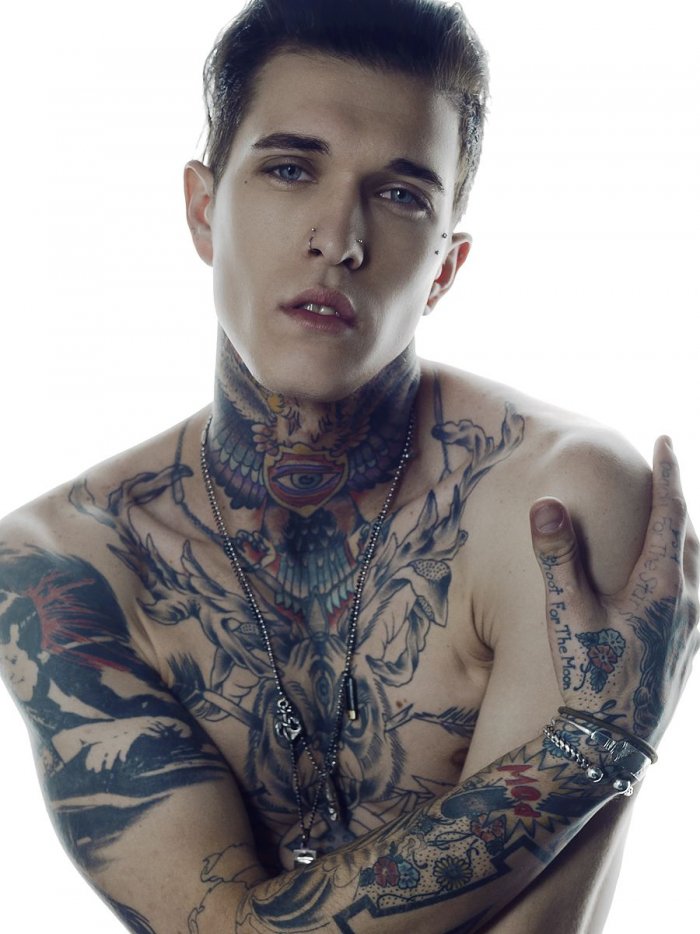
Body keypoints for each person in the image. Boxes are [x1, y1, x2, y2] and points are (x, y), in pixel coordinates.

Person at [0, 1, 697, 931]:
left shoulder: (553, 506)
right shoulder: (64, 563)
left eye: (402, 195)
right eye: (291, 169)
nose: (340, 238)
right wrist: (588, 748)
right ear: (204, 210)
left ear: (443, 269)